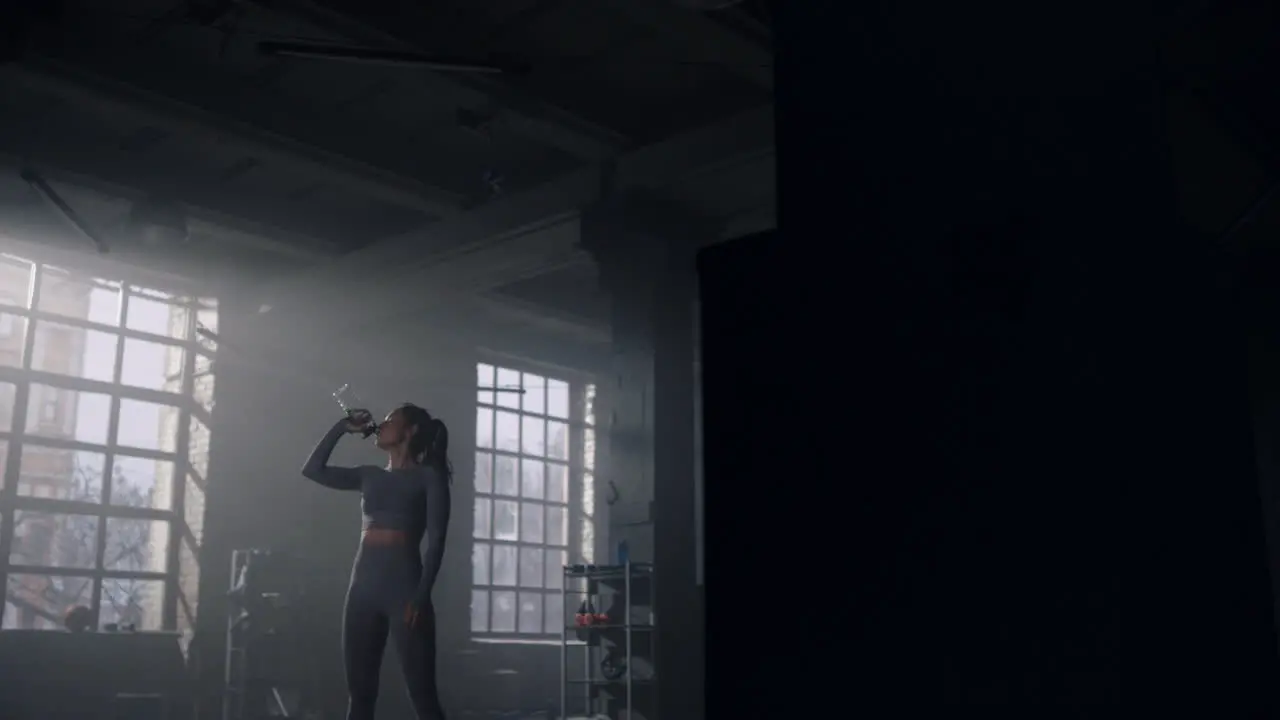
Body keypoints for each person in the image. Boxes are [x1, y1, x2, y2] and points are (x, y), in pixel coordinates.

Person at [301, 403, 452, 720]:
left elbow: (437, 541)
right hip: (362, 592)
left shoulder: (429, 477)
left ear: (409, 431)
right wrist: (342, 427)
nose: (381, 424)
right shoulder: (369, 476)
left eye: (390, 420)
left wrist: (422, 597)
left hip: (406, 592)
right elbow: (312, 470)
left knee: (424, 698)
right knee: (360, 697)